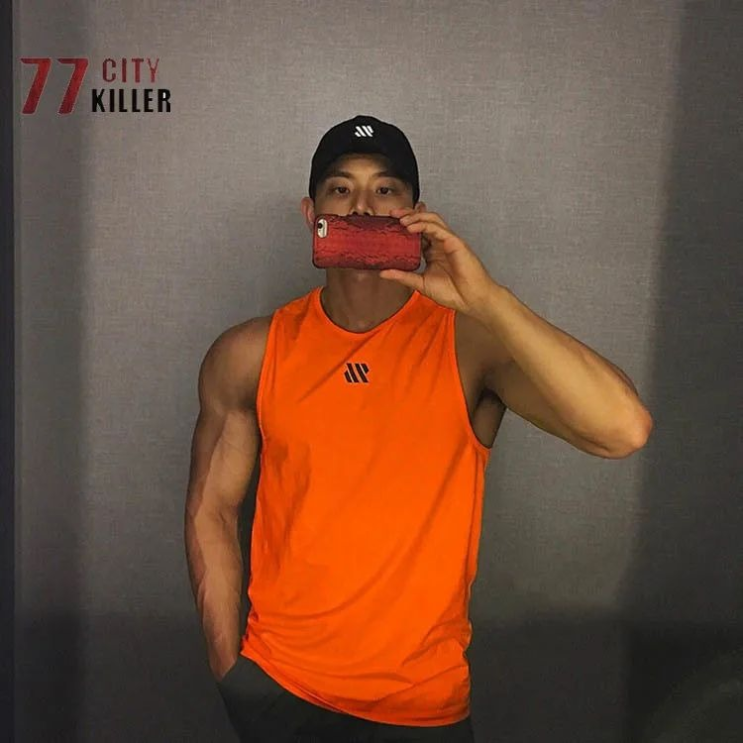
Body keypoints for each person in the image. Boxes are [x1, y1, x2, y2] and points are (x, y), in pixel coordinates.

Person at [184, 115, 653, 742]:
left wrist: (487, 299)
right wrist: (230, 670)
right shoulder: (250, 353)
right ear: (311, 213)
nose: (362, 206)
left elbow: (622, 429)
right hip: (281, 690)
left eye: (386, 190)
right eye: (340, 189)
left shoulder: (471, 345)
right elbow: (211, 508)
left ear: (416, 214)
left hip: (421, 708)